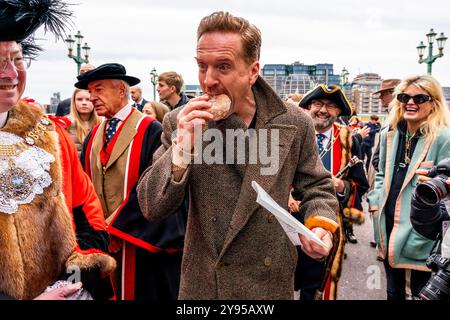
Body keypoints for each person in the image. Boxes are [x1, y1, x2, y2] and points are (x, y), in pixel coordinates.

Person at [136, 11, 338, 300]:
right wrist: (182, 149)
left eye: (223, 67)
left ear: (253, 71)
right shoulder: (180, 121)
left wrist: (320, 226)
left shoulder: (295, 121)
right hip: (206, 283)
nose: (208, 80)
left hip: (269, 282)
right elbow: (152, 207)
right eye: (202, 66)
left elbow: (318, 187)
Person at [0, 0, 115, 300]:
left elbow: (88, 216)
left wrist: (70, 285)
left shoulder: (47, 134)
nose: (11, 74)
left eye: (17, 58)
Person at [78, 63, 186, 300]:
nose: (92, 97)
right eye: (90, 91)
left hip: (140, 245)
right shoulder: (94, 135)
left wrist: (117, 227)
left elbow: (157, 188)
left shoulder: (152, 130)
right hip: (102, 243)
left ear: (120, 91)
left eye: (98, 89)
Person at [367, 74, 450, 300]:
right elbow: (381, 173)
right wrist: (375, 202)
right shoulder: (389, 133)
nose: (410, 102)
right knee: (393, 292)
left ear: (433, 103)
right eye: (404, 97)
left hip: (423, 231)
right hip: (388, 225)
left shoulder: (444, 137)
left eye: (419, 98)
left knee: (422, 292)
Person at [296, 84, 369, 299]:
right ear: (309, 106)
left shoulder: (348, 140)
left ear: (338, 112)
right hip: (289, 218)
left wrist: (341, 186)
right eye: (318, 103)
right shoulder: (293, 134)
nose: (323, 110)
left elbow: (359, 184)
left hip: (327, 222)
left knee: (314, 282)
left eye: (330, 106)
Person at [371, 78, 401, 171]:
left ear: (394, 93)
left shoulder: (398, 114)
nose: (380, 97)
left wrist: (378, 162)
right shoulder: (393, 113)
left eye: (383, 94)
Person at [67, 88, 101, 156]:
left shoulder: (102, 124)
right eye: (79, 99)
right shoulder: (66, 124)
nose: (84, 103)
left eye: (88, 99)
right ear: (74, 102)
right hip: (75, 165)